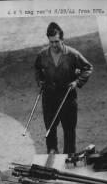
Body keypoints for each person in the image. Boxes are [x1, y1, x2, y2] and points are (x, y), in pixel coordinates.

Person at [35, 22, 93, 154]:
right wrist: (40, 80)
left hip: (67, 97)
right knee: (50, 129)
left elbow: (88, 68)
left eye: (56, 41)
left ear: (62, 39)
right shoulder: (42, 54)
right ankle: (52, 154)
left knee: (69, 130)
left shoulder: (72, 54)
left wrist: (77, 82)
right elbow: (37, 68)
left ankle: (69, 157)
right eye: (51, 42)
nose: (54, 45)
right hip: (49, 98)